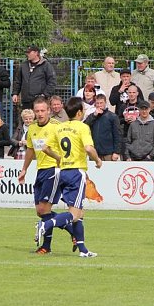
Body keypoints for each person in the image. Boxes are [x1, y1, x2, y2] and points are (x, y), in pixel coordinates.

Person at [36, 96, 103, 258]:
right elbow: (88, 148)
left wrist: (59, 159)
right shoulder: (82, 127)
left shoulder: (60, 127)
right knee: (74, 213)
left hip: (62, 172)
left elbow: (44, 147)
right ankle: (45, 224)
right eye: (84, 109)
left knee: (79, 213)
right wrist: (98, 160)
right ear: (79, 112)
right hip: (76, 172)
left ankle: (83, 249)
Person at [17, 97, 72, 254]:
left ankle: (46, 246)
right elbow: (30, 150)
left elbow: (67, 148)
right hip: (40, 170)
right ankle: (71, 228)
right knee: (40, 211)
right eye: (37, 111)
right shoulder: (32, 128)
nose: (40, 114)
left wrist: (61, 161)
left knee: (44, 208)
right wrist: (24, 169)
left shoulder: (57, 127)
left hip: (54, 170)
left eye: (43, 110)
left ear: (48, 110)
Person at [12, 45, 56, 114]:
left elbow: (52, 82)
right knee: (27, 120)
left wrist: (44, 95)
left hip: (40, 101)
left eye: (29, 52)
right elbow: (18, 81)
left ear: (36, 53)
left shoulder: (46, 65)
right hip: (26, 100)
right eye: (27, 52)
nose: (27, 54)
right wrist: (15, 93)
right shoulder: (23, 66)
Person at [84, 94, 121, 161]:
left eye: (101, 103)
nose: (99, 105)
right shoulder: (92, 116)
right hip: (95, 152)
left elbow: (117, 135)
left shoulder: (112, 116)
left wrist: (116, 152)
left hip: (108, 153)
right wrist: (94, 115)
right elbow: (84, 126)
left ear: (105, 103)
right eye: (97, 103)